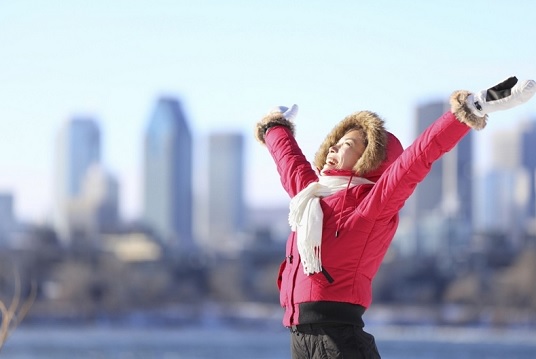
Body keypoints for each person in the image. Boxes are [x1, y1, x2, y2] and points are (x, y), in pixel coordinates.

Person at [254, 76, 536, 359]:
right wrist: (275, 127)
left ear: (369, 158)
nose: (333, 148)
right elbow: (289, 162)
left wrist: (471, 108)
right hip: (300, 339)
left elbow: (417, 158)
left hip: (339, 340)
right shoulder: (311, 197)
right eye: (334, 143)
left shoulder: (370, 206)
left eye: (347, 144)